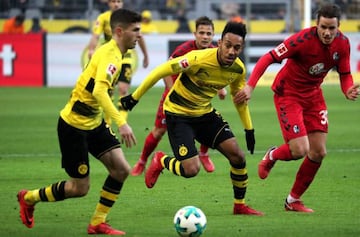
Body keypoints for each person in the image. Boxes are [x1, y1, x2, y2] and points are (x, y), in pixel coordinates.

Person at [17, 8, 139, 235]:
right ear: (120, 31)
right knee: (79, 188)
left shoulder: (115, 52)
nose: (139, 35)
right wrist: (121, 122)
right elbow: (101, 92)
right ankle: (29, 198)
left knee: (121, 169)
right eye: (136, 30)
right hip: (73, 126)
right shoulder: (110, 56)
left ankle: (97, 223)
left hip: (93, 123)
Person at [120, 21, 262, 215]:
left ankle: (240, 205)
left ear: (241, 48)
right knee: (191, 170)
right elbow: (162, 70)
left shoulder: (237, 69)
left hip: (204, 114)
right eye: (228, 45)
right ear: (219, 43)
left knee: (238, 156)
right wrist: (135, 97)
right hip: (178, 114)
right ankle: (160, 160)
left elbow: (238, 99)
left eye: (236, 47)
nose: (231, 51)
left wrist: (249, 128)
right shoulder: (197, 58)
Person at [233, 3, 359, 213]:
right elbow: (269, 57)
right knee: (300, 150)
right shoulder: (301, 40)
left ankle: (292, 201)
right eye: (323, 27)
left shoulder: (343, 44)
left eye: (332, 28)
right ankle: (272, 155)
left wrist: (347, 90)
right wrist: (250, 86)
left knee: (318, 152)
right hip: (288, 94)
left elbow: (345, 74)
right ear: (316, 25)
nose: (327, 33)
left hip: (314, 95)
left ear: (338, 27)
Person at [131, 16, 226, 176]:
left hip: (197, 98)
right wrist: (171, 91)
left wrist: (221, 89)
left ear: (213, 35)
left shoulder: (214, 52)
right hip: (174, 98)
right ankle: (142, 161)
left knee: (208, 123)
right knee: (159, 131)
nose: (205, 36)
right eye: (201, 33)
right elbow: (165, 71)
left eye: (208, 33)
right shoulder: (184, 50)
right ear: (195, 34)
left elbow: (217, 73)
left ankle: (203, 154)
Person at [86, 0, 149, 122]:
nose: (116, 4)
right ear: (108, 3)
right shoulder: (103, 18)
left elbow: (139, 36)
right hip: (110, 58)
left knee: (123, 89)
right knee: (108, 92)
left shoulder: (129, 19)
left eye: (119, 1)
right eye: (113, 1)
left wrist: (145, 55)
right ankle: (108, 124)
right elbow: (95, 35)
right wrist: (91, 49)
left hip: (126, 58)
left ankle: (122, 120)